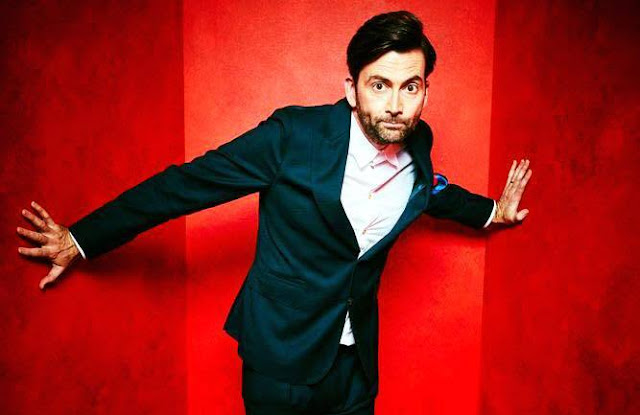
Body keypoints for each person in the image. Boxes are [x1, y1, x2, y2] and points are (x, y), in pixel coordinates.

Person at [16, 10, 532, 415]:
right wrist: (81, 238)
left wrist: (493, 211)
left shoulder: (418, 143)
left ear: (424, 93)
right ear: (352, 90)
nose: (395, 104)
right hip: (280, 362)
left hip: (354, 368)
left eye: (410, 87)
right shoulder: (292, 137)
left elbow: (432, 190)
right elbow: (183, 186)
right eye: (379, 85)